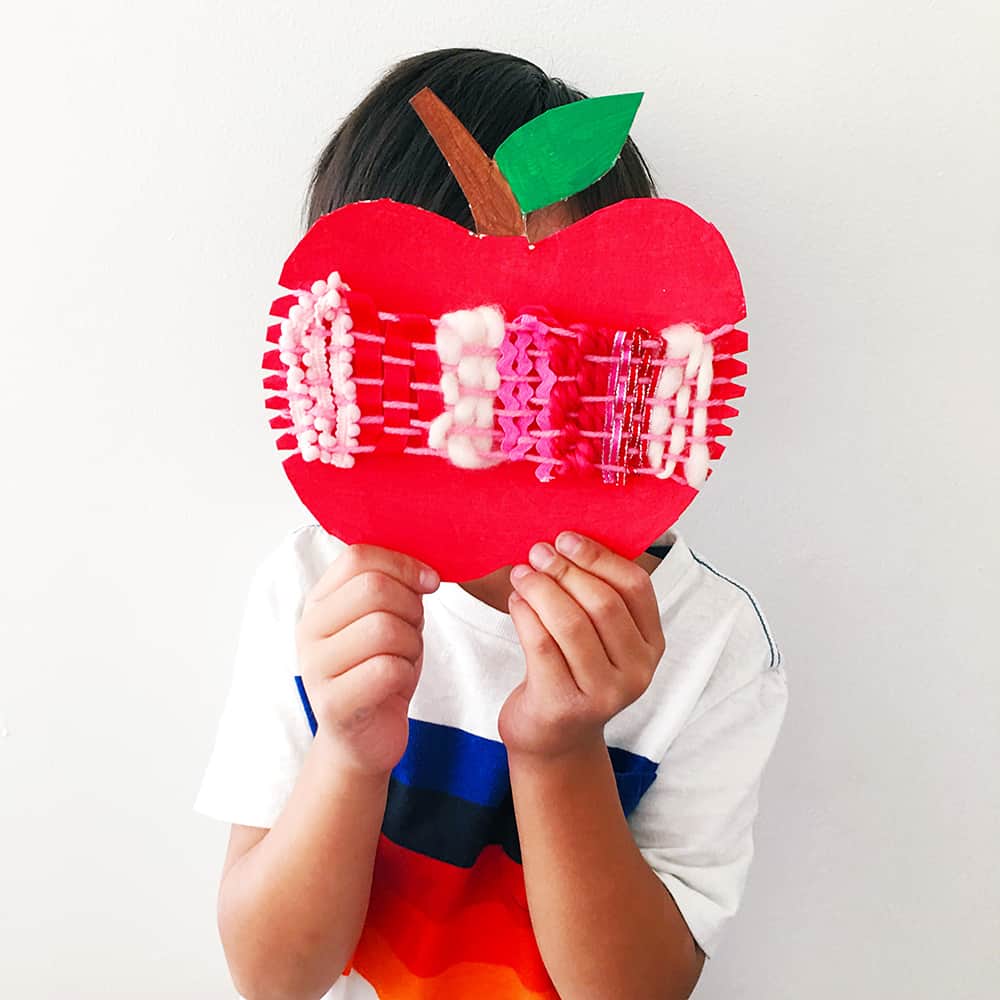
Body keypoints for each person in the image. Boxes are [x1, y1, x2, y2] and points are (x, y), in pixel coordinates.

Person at [194, 47, 789, 1000]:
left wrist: (559, 747)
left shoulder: (705, 647)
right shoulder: (315, 600)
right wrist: (347, 753)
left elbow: (638, 989)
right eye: (434, 327)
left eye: (556, 332)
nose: (499, 380)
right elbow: (273, 977)